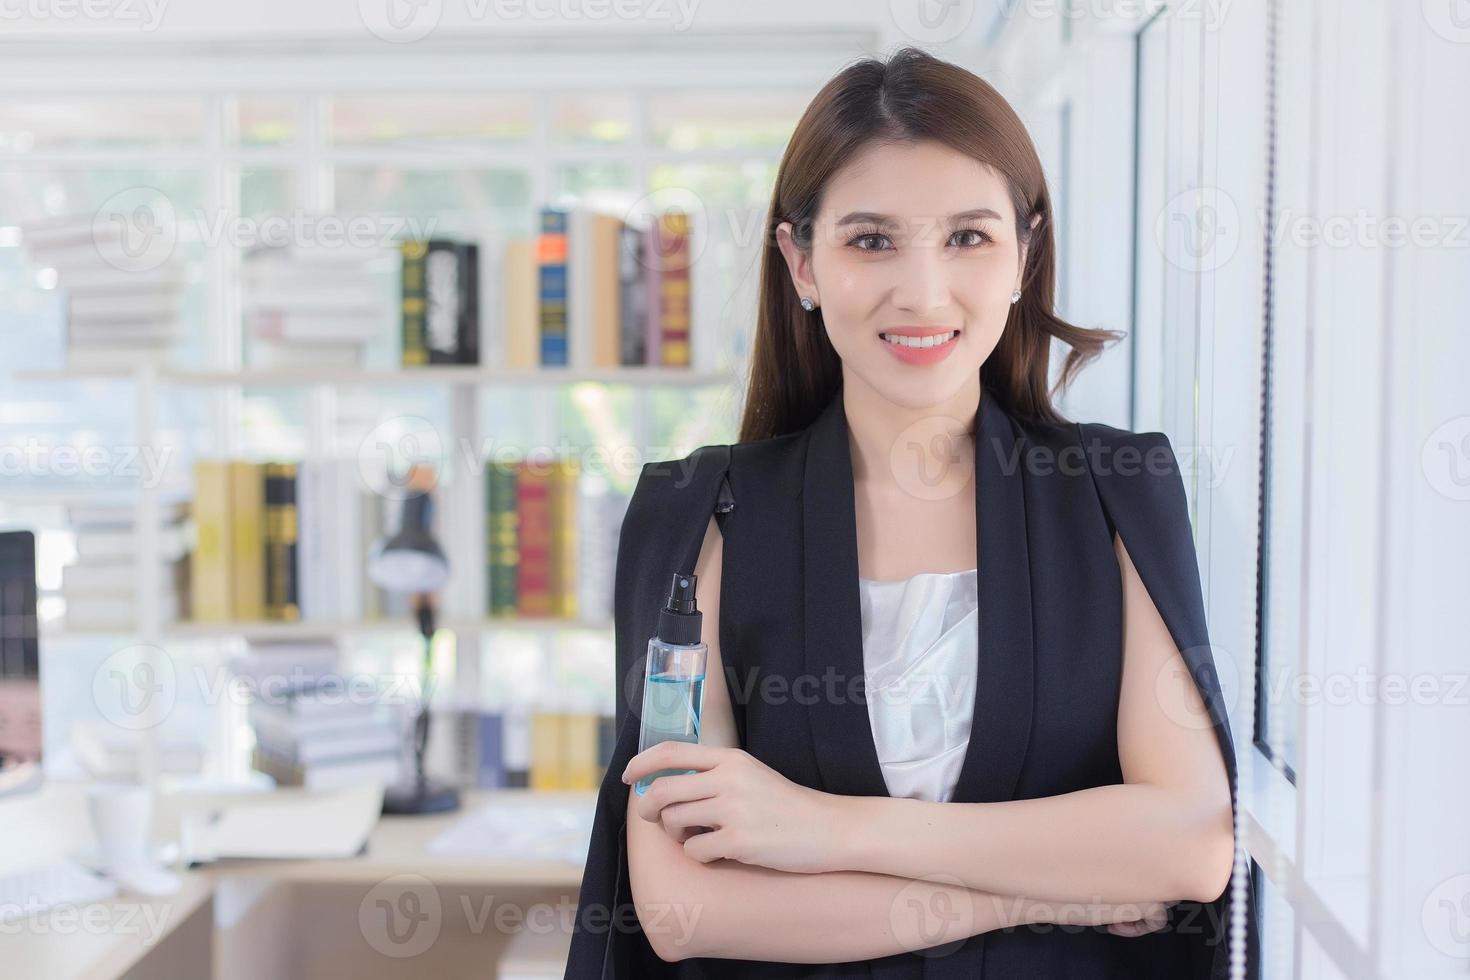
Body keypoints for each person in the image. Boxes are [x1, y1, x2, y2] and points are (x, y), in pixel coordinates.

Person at [565, 46, 1260, 979]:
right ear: (801, 263)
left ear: (1026, 255)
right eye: (871, 239)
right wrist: (1063, 885)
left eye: (968, 237)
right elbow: (687, 908)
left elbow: (1186, 844)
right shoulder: (704, 518)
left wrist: (823, 829)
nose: (924, 291)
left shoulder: (1114, 492)